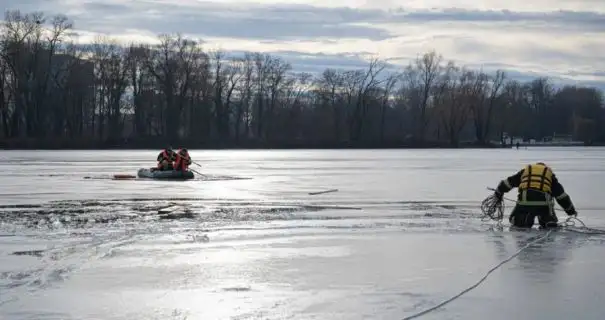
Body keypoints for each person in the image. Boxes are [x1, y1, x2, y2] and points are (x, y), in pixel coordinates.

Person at [492, 162, 577, 228]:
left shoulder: (526, 171)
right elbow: (561, 196)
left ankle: (523, 220)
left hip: (525, 202)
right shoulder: (549, 175)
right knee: (547, 215)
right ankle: (548, 220)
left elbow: (507, 183)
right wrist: (570, 211)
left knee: (515, 219)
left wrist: (498, 193)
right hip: (544, 204)